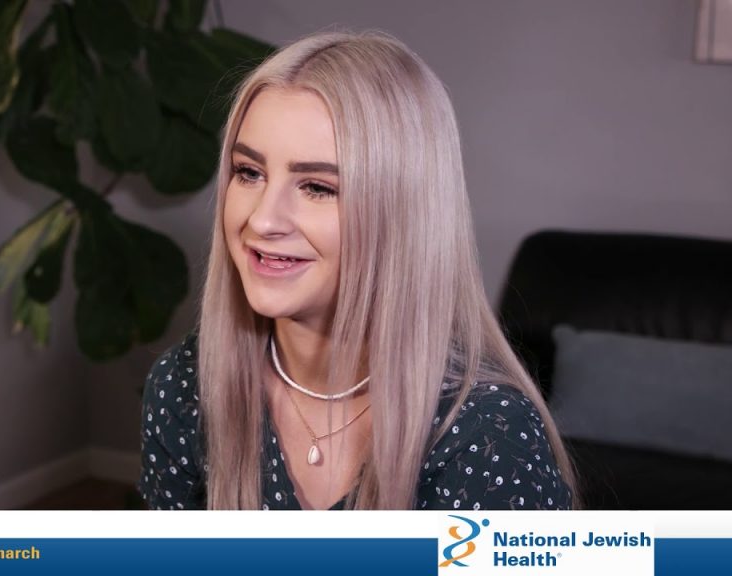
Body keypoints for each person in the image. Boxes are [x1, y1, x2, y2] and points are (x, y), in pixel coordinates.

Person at [138, 30, 577, 510]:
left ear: (404, 212)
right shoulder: (184, 385)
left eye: (318, 187)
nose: (262, 220)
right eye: (249, 173)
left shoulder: (488, 435)